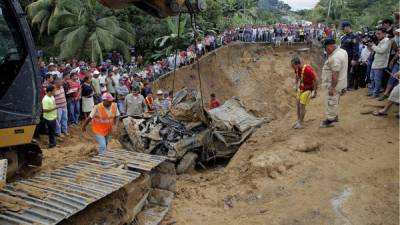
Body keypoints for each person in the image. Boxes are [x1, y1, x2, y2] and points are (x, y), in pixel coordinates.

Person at [320, 38, 348, 128]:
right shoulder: (342, 51)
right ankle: (334, 116)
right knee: (335, 101)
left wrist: (332, 87)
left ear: (330, 46)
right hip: (341, 82)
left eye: (326, 48)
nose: (325, 50)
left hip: (335, 84)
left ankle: (330, 120)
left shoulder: (335, 57)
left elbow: (335, 75)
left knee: (331, 101)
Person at [291, 56, 318, 129]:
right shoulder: (297, 69)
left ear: (297, 64)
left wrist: (315, 92)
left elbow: (315, 80)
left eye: (293, 66)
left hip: (308, 89)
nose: (292, 68)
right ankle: (298, 121)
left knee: (302, 105)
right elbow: (297, 76)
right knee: (297, 105)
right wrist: (296, 85)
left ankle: (301, 123)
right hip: (301, 88)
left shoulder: (307, 70)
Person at [367, 28, 392, 98]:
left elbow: (381, 50)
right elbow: (376, 50)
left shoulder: (387, 40)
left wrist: (372, 46)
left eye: (379, 33)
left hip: (380, 63)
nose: (377, 35)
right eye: (377, 33)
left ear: (384, 33)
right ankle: (372, 91)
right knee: (372, 78)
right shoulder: (381, 40)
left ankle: (375, 93)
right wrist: (371, 46)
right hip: (376, 62)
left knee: (377, 79)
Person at [340, 21, 359, 90]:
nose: (342, 29)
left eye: (343, 28)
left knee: (351, 72)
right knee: (345, 71)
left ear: (348, 27)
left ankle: (350, 86)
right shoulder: (344, 37)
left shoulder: (354, 36)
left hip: (350, 57)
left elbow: (356, 48)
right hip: (344, 57)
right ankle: (346, 85)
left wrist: (354, 59)